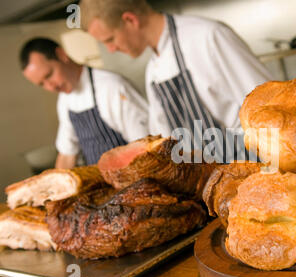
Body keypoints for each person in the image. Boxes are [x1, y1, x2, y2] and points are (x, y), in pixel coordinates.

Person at [79, 0, 273, 163]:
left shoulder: (207, 36)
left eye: (110, 39)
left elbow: (270, 106)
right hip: (209, 183)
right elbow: (164, 139)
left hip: (252, 167)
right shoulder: (152, 71)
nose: (111, 49)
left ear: (130, 20)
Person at [20, 37, 149, 168]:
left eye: (49, 75)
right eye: (41, 84)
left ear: (61, 55)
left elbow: (144, 146)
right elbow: (66, 154)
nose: (50, 87)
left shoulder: (112, 87)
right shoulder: (64, 100)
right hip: (99, 183)